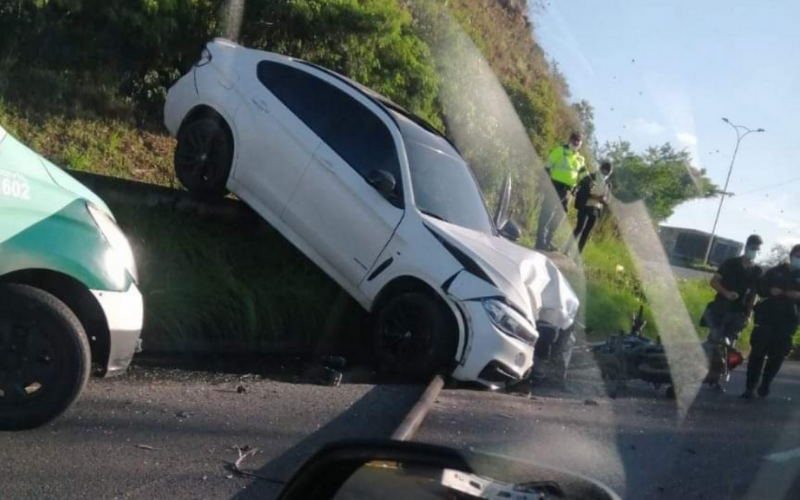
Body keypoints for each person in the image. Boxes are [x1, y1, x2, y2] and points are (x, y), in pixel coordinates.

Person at [701, 234, 763, 390]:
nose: (754, 251)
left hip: (738, 314)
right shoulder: (730, 263)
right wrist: (726, 293)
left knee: (729, 349)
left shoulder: (756, 271)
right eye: (752, 248)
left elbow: (754, 295)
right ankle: (703, 372)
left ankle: (718, 378)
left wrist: (748, 315)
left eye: (757, 249)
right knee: (713, 343)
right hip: (721, 309)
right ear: (746, 247)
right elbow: (714, 281)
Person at [742, 244, 800, 399]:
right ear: (792, 255)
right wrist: (770, 291)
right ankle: (750, 387)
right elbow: (760, 289)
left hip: (788, 322)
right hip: (766, 318)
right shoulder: (775, 272)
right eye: (797, 256)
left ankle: (766, 383)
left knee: (777, 356)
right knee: (757, 354)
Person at [535, 132, 587, 252]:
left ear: (581, 143)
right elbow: (547, 167)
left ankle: (548, 240)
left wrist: (589, 182)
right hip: (555, 187)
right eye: (574, 139)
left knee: (559, 217)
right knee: (546, 213)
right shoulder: (560, 151)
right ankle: (540, 241)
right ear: (569, 139)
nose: (575, 142)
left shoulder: (580, 158)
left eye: (578, 140)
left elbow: (584, 173)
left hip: (569, 191)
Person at [568, 161, 612, 255]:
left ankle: (578, 255)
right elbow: (583, 193)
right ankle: (567, 250)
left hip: (596, 209)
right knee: (579, 228)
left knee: (586, 232)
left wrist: (604, 202)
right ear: (601, 168)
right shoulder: (591, 177)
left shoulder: (607, 184)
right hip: (585, 205)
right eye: (604, 170)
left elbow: (607, 199)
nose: (605, 173)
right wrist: (597, 198)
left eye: (607, 171)